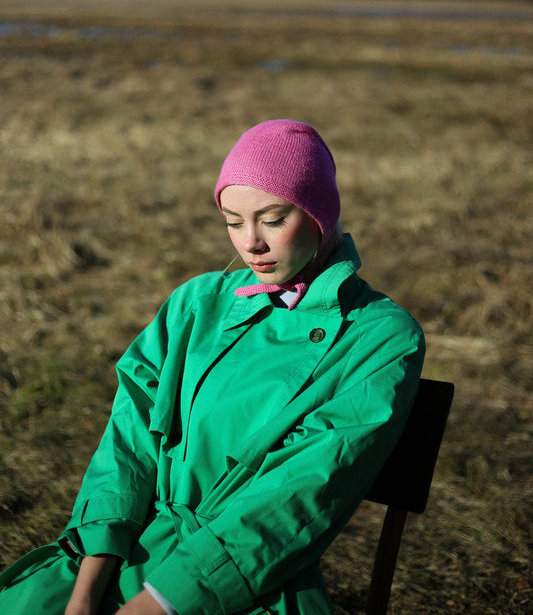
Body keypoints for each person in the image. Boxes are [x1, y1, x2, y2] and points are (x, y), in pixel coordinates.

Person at [0, 119, 425, 615]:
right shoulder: (196, 303)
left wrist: (155, 605)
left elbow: (298, 498)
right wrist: (85, 589)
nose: (250, 244)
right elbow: (128, 445)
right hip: (121, 555)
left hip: (244, 584)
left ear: (319, 215)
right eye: (232, 220)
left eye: (272, 218)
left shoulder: (379, 336)